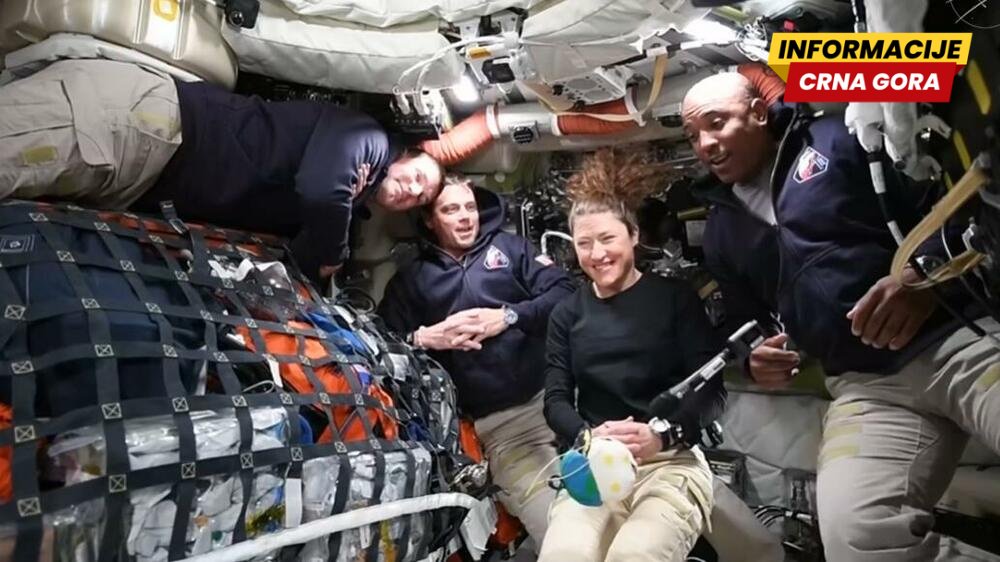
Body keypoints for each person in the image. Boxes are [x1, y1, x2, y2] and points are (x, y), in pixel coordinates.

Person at [682, 72, 1000, 561]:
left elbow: (955, 205)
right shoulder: (722, 230)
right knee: (856, 537)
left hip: (955, 341)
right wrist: (753, 358)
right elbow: (746, 322)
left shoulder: (837, 138)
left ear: (759, 113)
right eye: (692, 135)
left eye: (716, 123)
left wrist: (925, 277)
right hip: (866, 387)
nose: (705, 144)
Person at [0, 58, 443, 280]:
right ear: (406, 153)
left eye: (419, 199)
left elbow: (303, 249)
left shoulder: (356, 192)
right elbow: (323, 191)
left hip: (143, 169)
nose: (412, 190)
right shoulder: (369, 138)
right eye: (419, 177)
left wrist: (328, 237)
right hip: (143, 128)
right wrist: (331, 252)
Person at [539, 147, 724, 562]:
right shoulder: (566, 314)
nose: (597, 254)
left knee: (635, 554)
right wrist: (588, 435)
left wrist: (662, 435)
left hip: (669, 461)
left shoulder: (675, 299)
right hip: (596, 464)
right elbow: (556, 399)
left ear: (634, 236)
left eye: (608, 239)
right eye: (584, 244)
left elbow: (711, 390)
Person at [377, 174, 575, 549]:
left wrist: (509, 316)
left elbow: (566, 293)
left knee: (613, 509)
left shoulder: (511, 249)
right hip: (505, 429)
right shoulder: (412, 280)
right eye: (451, 209)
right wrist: (424, 338)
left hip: (561, 397)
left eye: (470, 207)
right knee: (560, 537)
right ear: (430, 220)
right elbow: (379, 348)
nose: (466, 217)